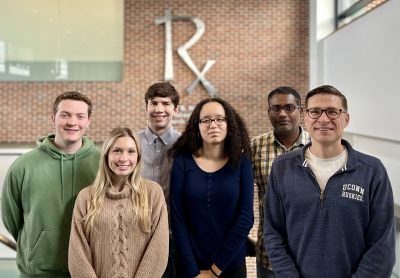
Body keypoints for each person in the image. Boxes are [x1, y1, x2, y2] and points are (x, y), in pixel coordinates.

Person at [264, 85, 395, 278]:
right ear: (305, 118)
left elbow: (382, 247)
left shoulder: (372, 171)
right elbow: (273, 234)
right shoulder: (282, 168)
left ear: (346, 119)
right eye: (315, 112)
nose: (323, 119)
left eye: (333, 112)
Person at [1, 91, 100, 277]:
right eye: (65, 115)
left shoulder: (103, 164)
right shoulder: (23, 166)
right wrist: (37, 245)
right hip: (38, 273)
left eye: (80, 116)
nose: (72, 122)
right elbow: (12, 220)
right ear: (53, 118)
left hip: (90, 272)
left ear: (88, 121)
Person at [169, 98, 254, 278]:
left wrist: (215, 270)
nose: (212, 125)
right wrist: (192, 270)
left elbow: (245, 218)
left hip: (230, 264)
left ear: (229, 124)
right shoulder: (182, 161)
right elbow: (177, 218)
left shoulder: (242, 162)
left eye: (219, 119)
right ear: (197, 126)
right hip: (190, 266)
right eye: (206, 120)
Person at [68, 127, 169, 278]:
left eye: (131, 151)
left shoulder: (153, 193)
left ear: (138, 156)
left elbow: (158, 249)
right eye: (117, 151)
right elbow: (77, 255)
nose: (124, 158)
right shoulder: (86, 197)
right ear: (106, 155)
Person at [251, 86, 310, 278]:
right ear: (269, 112)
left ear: (300, 112)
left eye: (289, 108)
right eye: (276, 108)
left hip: (310, 254)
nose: (282, 114)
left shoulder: (317, 145)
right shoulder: (255, 147)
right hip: (269, 255)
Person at [137, 82, 181, 278]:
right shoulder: (131, 143)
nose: (159, 109)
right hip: (135, 234)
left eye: (166, 103)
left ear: (175, 109)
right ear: (146, 107)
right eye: (153, 103)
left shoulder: (186, 144)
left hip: (173, 236)